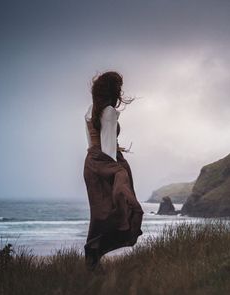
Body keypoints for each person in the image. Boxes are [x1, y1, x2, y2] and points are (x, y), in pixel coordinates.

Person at [83, 71, 144, 272]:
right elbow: (108, 146)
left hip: (91, 163)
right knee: (123, 205)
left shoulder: (90, 110)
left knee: (100, 212)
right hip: (106, 162)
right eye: (118, 87)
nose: (120, 91)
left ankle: (93, 258)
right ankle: (94, 256)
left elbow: (91, 142)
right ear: (112, 90)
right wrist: (115, 169)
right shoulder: (108, 111)